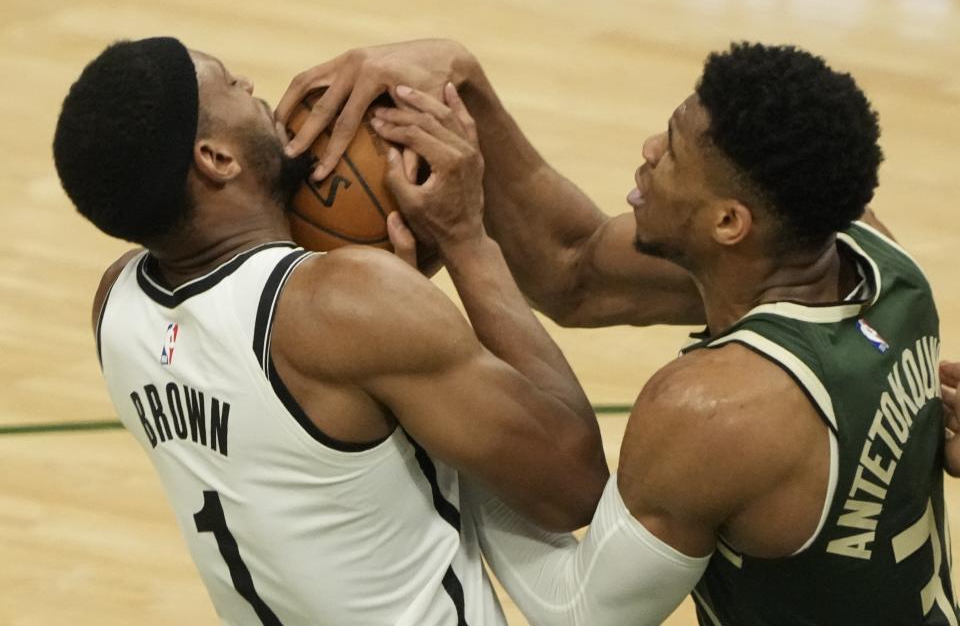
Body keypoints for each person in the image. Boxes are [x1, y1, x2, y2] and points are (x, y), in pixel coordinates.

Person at [279, 40, 955, 625]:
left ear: (728, 224)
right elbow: (575, 269)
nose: (649, 150)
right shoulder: (875, 259)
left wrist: (444, 400)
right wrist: (467, 83)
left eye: (673, 152)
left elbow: (574, 608)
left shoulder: (718, 414)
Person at [52, 37, 609, 625]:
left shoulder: (115, 305)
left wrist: (382, 292)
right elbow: (575, 482)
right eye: (233, 83)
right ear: (216, 159)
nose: (253, 89)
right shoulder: (339, 309)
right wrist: (466, 239)